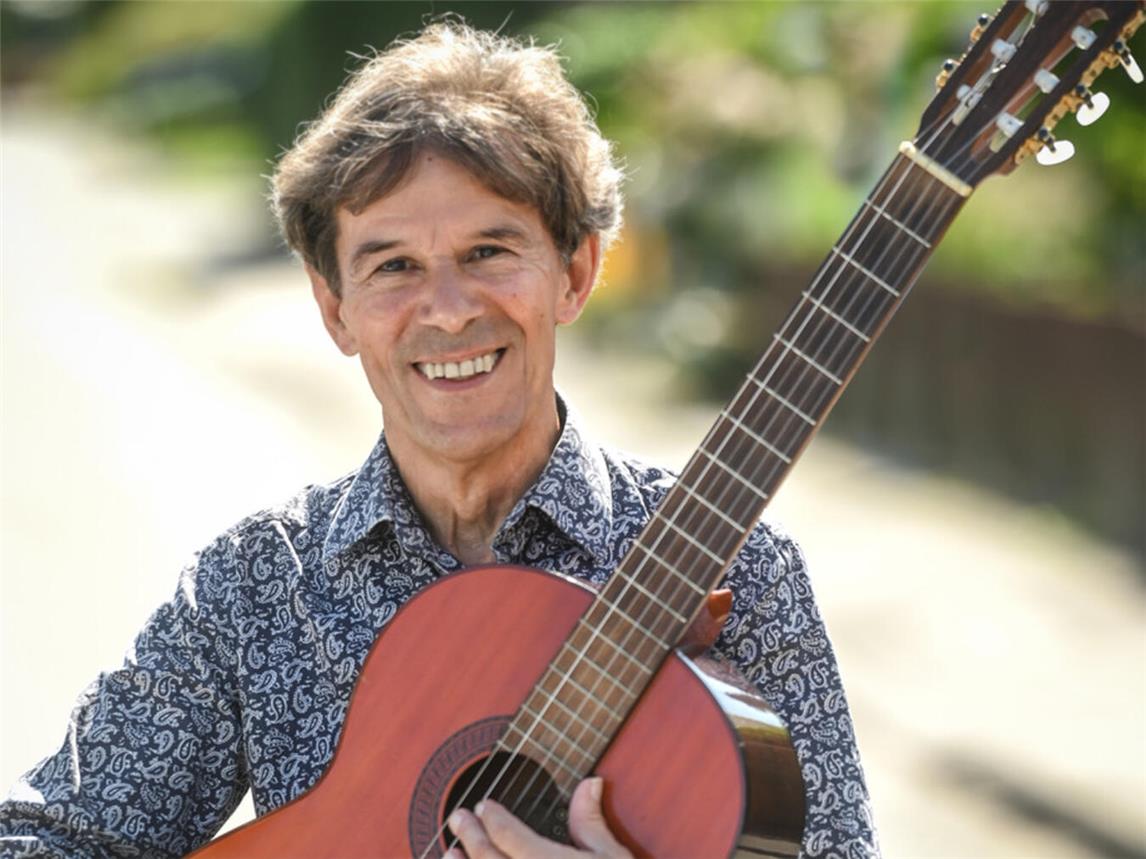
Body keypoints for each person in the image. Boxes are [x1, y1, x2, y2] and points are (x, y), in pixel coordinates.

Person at [0, 21, 877, 859]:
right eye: (394, 266)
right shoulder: (257, 586)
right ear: (335, 308)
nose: (450, 310)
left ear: (575, 273)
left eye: (489, 251)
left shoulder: (741, 570)